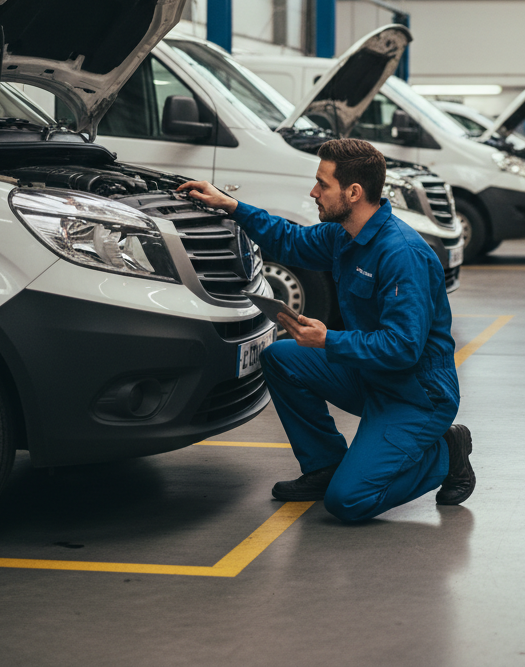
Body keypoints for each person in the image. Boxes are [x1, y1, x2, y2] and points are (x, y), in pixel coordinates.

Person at [176, 137, 474, 523]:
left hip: (416, 394)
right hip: (372, 376)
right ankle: (325, 465)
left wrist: (328, 339)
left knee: (349, 502)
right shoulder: (343, 235)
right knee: (282, 357)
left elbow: (403, 347)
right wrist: (232, 206)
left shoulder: (402, 254)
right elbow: (290, 239)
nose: (313, 192)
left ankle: (446, 452)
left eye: (323, 184)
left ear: (353, 192)